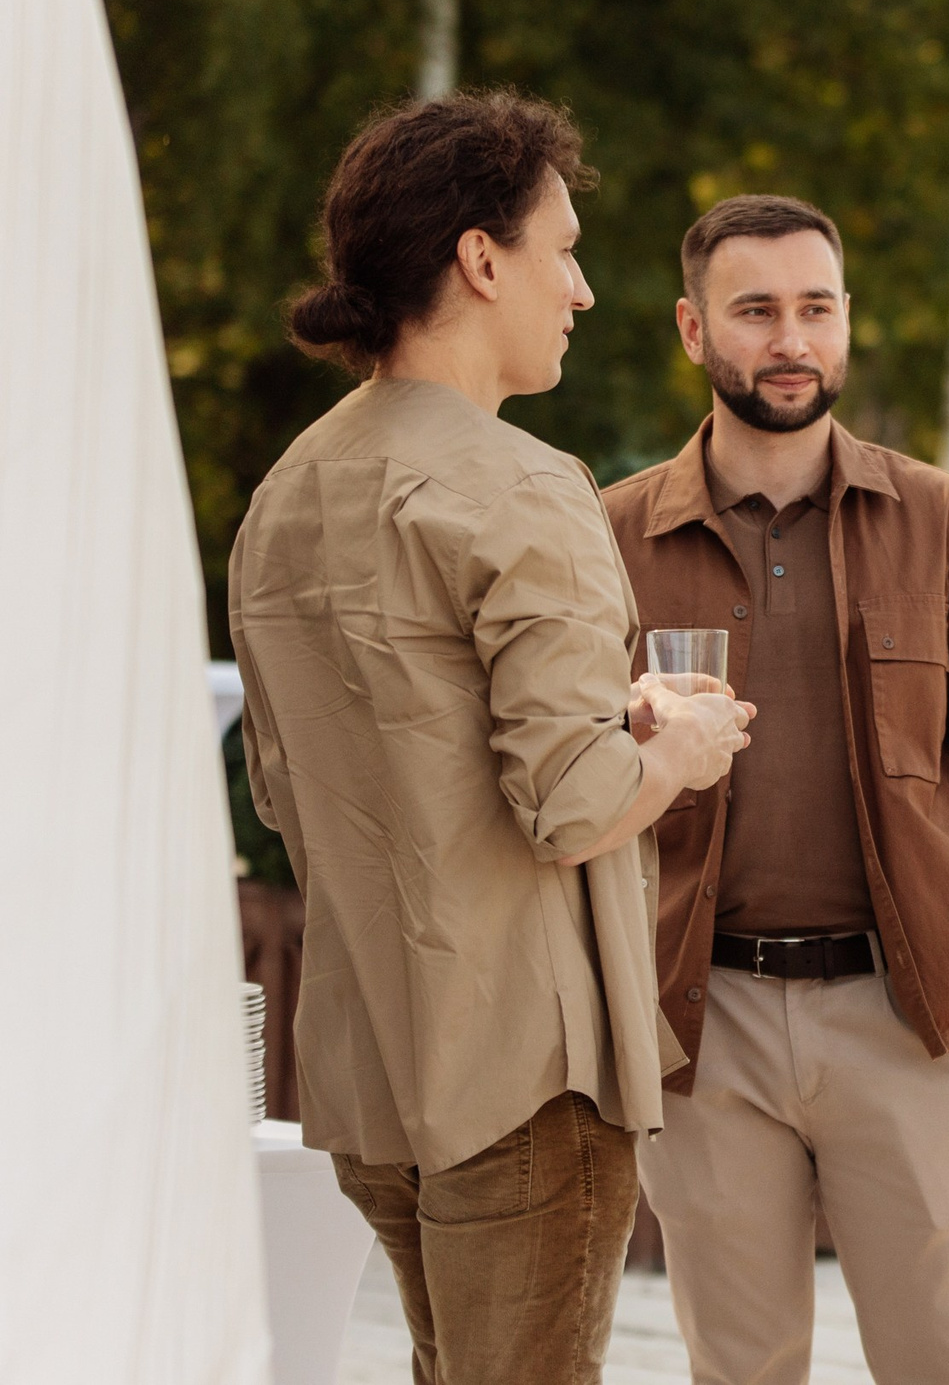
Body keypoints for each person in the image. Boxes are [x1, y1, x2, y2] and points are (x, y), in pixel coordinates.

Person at [230, 90, 754, 1385]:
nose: (579, 289)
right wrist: (679, 749)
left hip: (375, 1066)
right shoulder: (525, 482)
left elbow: (296, 794)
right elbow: (571, 803)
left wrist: (602, 728)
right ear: (480, 258)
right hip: (529, 1074)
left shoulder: (284, 497)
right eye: (562, 250)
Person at [600, 194, 949, 1385]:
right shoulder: (610, 537)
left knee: (946, 1363)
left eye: (816, 308)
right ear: (695, 332)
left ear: (846, 322)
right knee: (738, 1370)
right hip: (705, 1024)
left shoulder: (943, 521)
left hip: (906, 1016)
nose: (791, 339)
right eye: (756, 311)